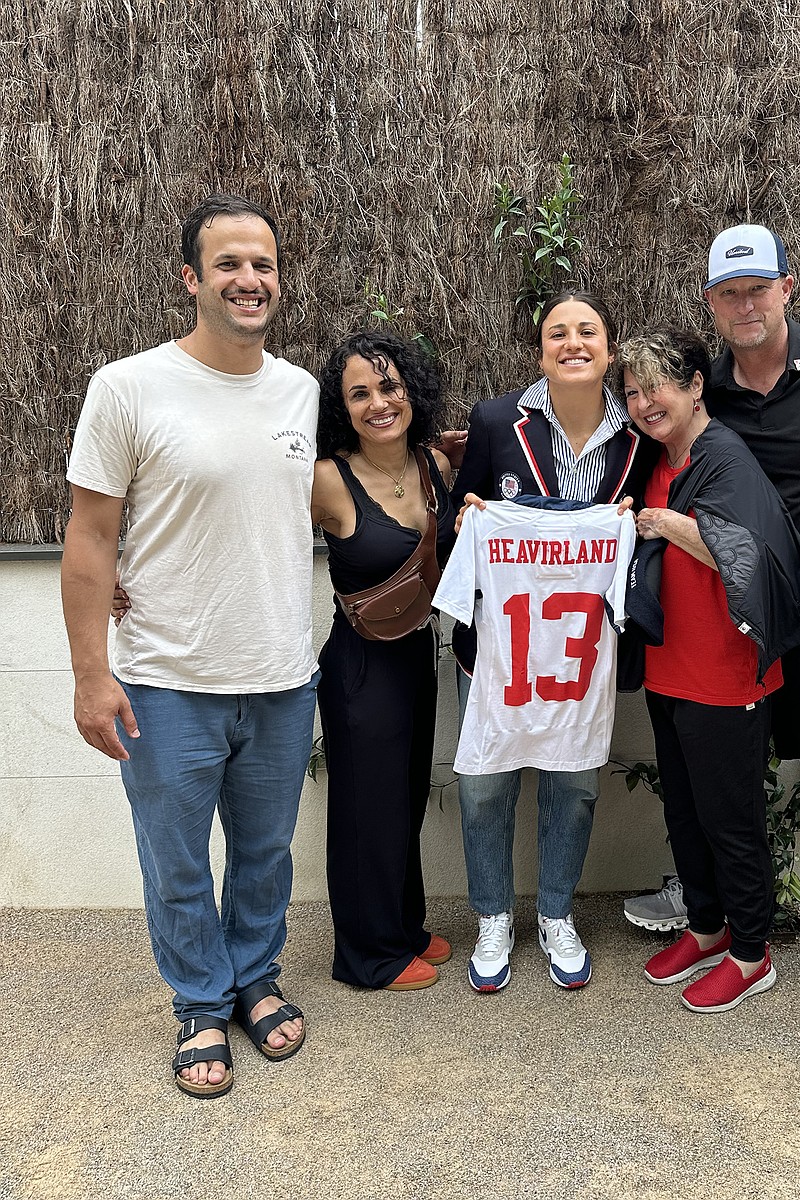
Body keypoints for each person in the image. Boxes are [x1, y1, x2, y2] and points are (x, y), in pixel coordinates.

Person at [61, 194, 318, 1099]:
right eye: (229, 265)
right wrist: (92, 674)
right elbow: (91, 538)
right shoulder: (127, 387)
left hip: (284, 677)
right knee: (175, 864)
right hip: (167, 680)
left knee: (265, 854)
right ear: (192, 279)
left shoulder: (300, 391)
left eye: (264, 266)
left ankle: (255, 980)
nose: (249, 281)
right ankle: (199, 1005)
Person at [633, 222, 800, 972]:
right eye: (729, 293)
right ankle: (714, 897)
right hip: (741, 618)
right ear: (711, 303)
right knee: (726, 765)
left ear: (788, 288)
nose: (745, 305)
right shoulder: (706, 387)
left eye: (759, 289)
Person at [618, 328, 800, 1012]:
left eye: (656, 385)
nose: (644, 401)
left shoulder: (725, 458)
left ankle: (751, 953)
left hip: (725, 677)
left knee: (730, 821)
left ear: (692, 386)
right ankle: (708, 928)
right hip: (670, 671)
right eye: (631, 391)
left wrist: (658, 522)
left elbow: (740, 555)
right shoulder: (657, 457)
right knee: (685, 813)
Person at [452, 290, 655, 992]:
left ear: (609, 346)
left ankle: (557, 914)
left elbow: (657, 525)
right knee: (482, 785)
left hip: (582, 652)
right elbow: (460, 510)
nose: (573, 343)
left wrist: (636, 519)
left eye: (587, 331)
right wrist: (470, 515)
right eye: (557, 333)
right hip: (499, 644)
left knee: (573, 784)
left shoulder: (641, 434)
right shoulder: (496, 421)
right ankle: (491, 917)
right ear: (540, 350)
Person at [312, 330, 455, 991]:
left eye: (389, 387)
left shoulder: (433, 466)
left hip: (416, 655)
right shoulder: (326, 480)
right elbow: (244, 527)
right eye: (360, 393)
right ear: (342, 408)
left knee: (404, 797)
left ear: (411, 392)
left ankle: (401, 926)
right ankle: (368, 956)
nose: (378, 403)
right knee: (366, 809)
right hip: (360, 666)